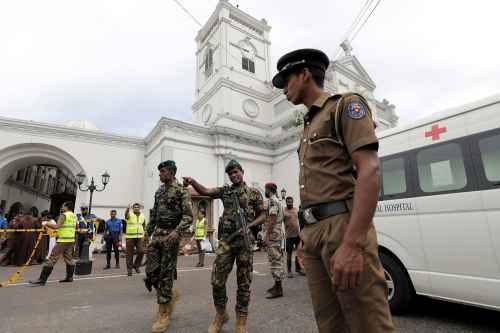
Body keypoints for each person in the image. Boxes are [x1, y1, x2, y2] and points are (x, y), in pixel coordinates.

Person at [272, 48, 394, 332]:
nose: (283, 90)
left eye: (287, 80)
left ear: (305, 75)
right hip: (314, 233)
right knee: (329, 322)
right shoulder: (308, 124)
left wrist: (352, 244)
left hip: (343, 228)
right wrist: (306, 235)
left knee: (367, 321)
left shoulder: (345, 105)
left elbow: (370, 169)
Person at [184, 159, 265, 333]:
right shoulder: (225, 191)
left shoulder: (254, 193)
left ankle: (241, 321)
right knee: (217, 280)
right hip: (226, 242)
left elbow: (263, 215)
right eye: (231, 173)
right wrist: (193, 181)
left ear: (242, 172)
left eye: (236, 172)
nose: (234, 175)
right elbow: (206, 191)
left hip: (244, 242)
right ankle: (221, 314)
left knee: (244, 283)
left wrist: (249, 227)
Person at [144, 160, 193, 333]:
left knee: (165, 274)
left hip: (171, 237)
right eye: (160, 171)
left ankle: (163, 314)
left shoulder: (181, 191)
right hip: (157, 235)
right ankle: (170, 295)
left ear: (172, 172)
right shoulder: (159, 191)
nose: (160, 174)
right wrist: (146, 234)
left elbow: (188, 217)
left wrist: (177, 232)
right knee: (150, 272)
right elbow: (154, 214)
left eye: (163, 171)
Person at [29, 201, 77, 286]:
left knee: (52, 258)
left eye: (63, 206)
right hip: (71, 240)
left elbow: (56, 226)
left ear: (67, 207)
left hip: (62, 240)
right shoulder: (73, 215)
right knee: (69, 258)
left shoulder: (64, 215)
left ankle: (42, 280)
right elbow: (75, 227)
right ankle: (69, 277)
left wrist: (46, 223)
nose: (61, 207)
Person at [261, 182, 286, 299]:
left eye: (265, 189)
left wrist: (267, 235)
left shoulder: (272, 201)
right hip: (276, 232)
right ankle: (276, 285)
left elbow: (272, 220)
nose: (265, 192)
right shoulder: (278, 201)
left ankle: (278, 288)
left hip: (273, 233)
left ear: (268, 190)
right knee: (275, 258)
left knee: (275, 259)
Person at [283, 197, 304, 278]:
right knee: (289, 254)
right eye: (288, 202)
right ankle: (289, 271)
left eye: (291, 202)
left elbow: (300, 220)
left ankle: (298, 269)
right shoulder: (284, 211)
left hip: (297, 235)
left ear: (293, 202)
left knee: (299, 253)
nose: (290, 203)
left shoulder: (296, 210)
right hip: (289, 236)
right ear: (286, 202)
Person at [124, 203, 146, 276]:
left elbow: (143, 225)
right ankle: (129, 270)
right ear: (133, 208)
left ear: (139, 208)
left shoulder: (142, 215)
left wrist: (145, 235)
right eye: (135, 207)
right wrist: (127, 209)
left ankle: (136, 265)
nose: (136, 208)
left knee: (141, 251)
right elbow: (126, 216)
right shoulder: (130, 214)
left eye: (137, 207)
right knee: (129, 254)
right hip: (130, 237)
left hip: (140, 237)